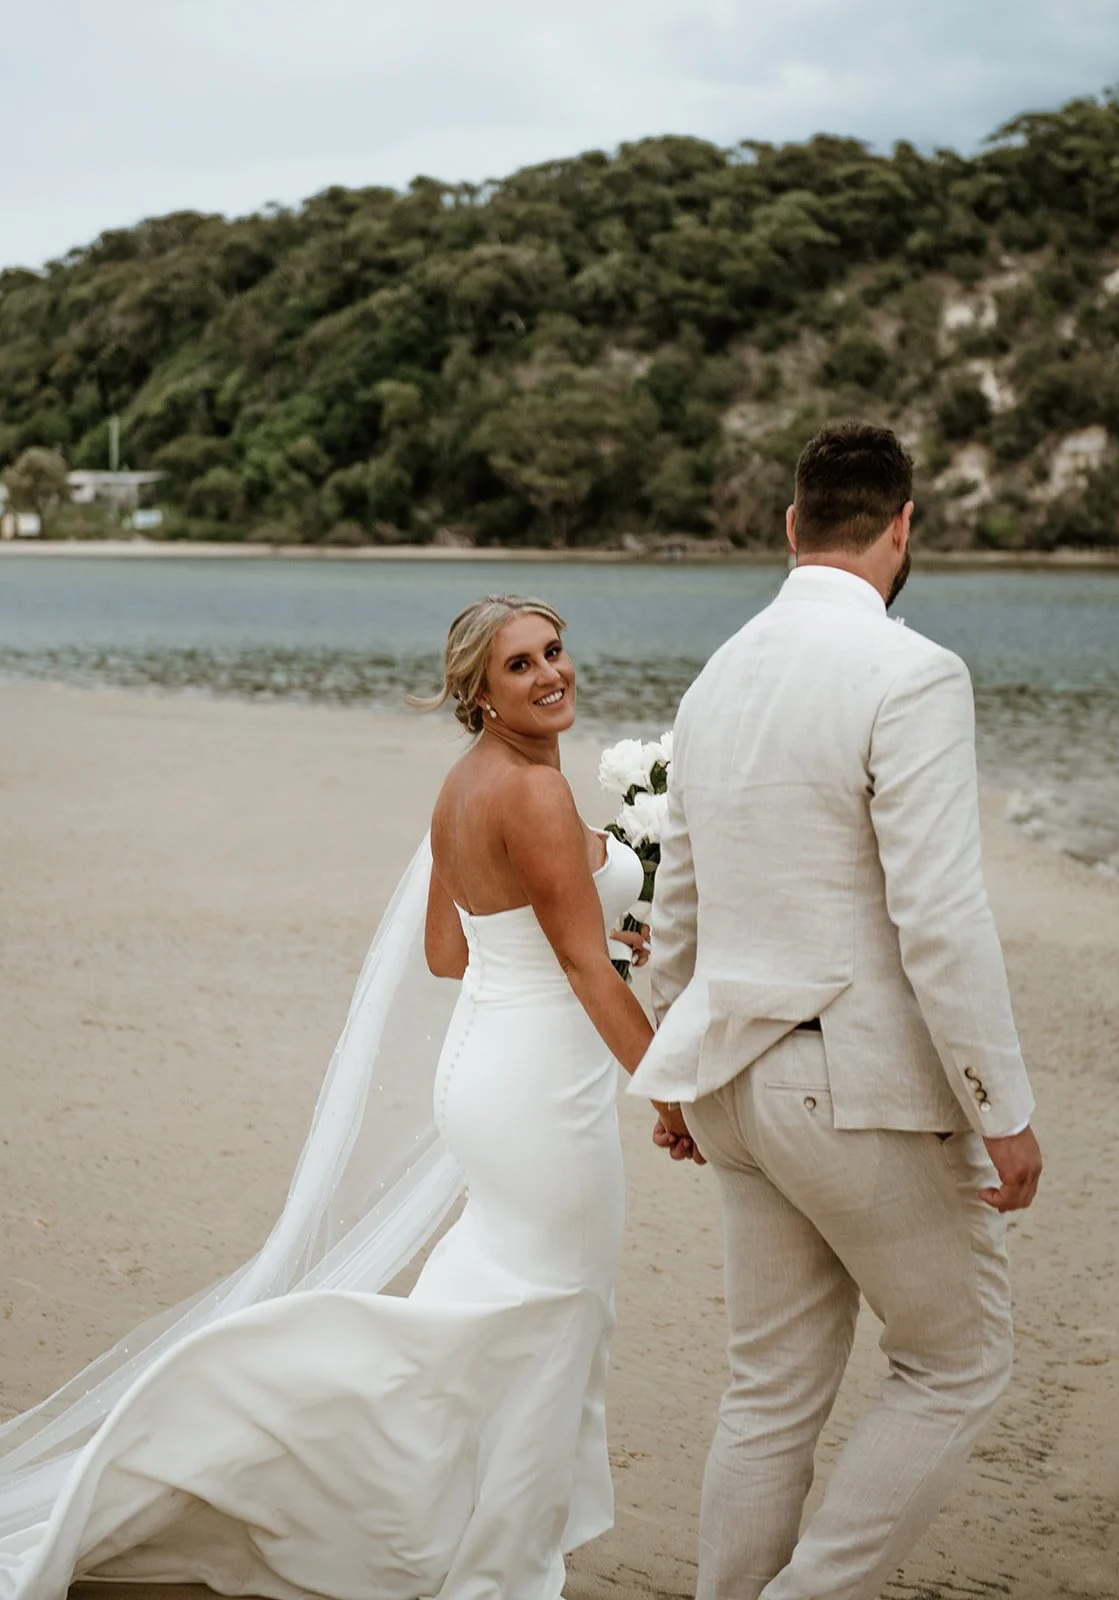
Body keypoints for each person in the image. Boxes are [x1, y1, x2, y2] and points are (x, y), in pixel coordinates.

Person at [0, 594, 694, 1600]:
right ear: (478, 693)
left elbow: (451, 951)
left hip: (486, 1077)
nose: (552, 673)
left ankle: (460, 1529)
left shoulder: (462, 787)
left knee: (499, 1312)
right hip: (541, 1093)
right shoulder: (536, 797)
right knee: (561, 1311)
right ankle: (494, 1565)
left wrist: (583, 945)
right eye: (520, 666)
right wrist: (671, 1094)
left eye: (556, 651)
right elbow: (584, 972)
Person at [631, 422, 1043, 1600]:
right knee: (956, 1363)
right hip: (850, 1085)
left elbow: (683, 909)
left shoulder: (716, 677)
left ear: (789, 526)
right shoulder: (912, 672)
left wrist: (678, 1078)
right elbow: (940, 918)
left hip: (737, 1078)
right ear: (903, 526)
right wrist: (1000, 1105)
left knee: (767, 1385)